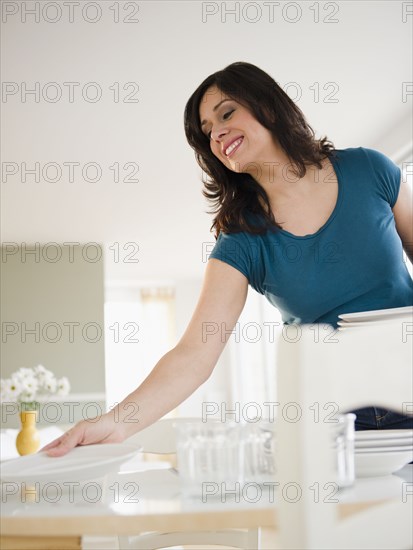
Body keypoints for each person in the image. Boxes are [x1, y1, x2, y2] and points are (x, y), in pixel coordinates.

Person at [43, 62, 413, 457]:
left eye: (226, 113)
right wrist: (114, 421)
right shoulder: (242, 239)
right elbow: (194, 355)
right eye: (207, 131)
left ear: (268, 105)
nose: (217, 133)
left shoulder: (370, 170)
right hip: (334, 422)